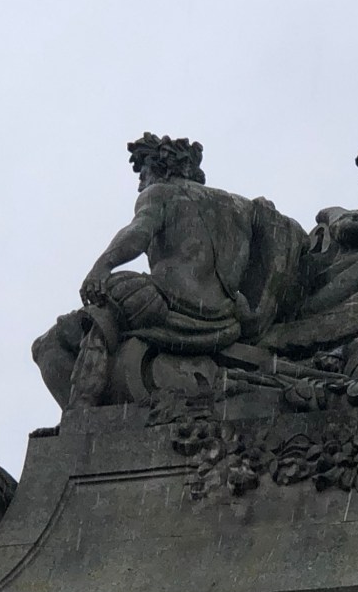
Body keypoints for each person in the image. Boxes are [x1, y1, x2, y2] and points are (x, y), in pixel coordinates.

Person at [32, 132, 304, 408]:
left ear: (163, 170)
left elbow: (138, 232)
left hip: (166, 302)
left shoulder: (161, 192)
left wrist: (101, 268)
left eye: (144, 175)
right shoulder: (243, 207)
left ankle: (82, 408)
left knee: (54, 340)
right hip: (225, 319)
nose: (141, 185)